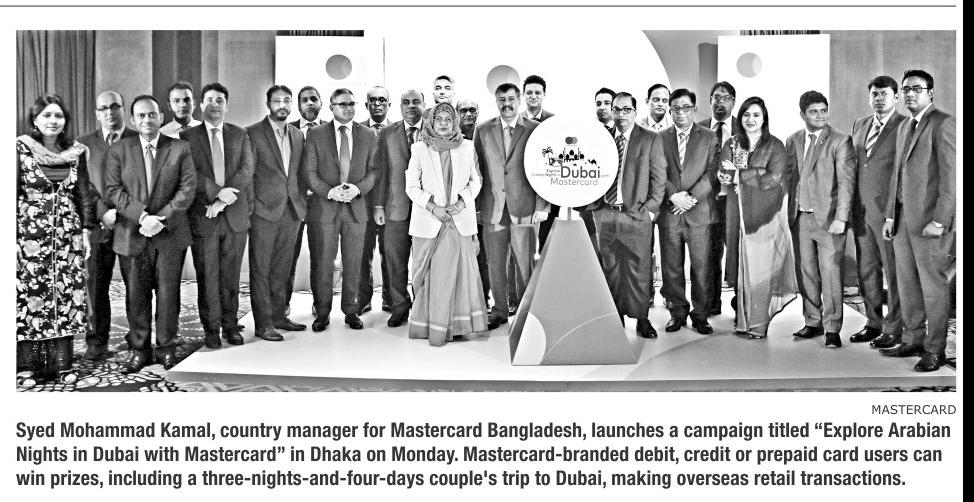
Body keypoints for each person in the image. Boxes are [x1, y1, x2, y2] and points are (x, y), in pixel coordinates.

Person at [104, 95, 197, 372]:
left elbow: (187, 188)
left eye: (152, 114)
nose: (147, 120)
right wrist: (143, 217)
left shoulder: (180, 148)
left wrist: (161, 219)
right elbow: (113, 190)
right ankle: (139, 349)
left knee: (169, 296)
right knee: (136, 296)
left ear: (161, 117)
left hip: (169, 234)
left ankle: (167, 348)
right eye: (141, 115)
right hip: (132, 234)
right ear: (133, 120)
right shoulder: (119, 150)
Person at [16, 94, 96, 383]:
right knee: (31, 296)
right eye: (47, 115)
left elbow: (84, 193)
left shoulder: (76, 152)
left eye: (58, 115)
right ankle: (28, 366)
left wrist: (86, 231)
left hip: (66, 237)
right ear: (35, 120)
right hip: (28, 236)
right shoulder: (20, 149)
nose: (53, 120)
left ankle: (63, 364)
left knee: (65, 297)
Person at [881, 69, 955, 372]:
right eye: (906, 89)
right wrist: (890, 215)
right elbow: (896, 175)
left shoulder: (943, 123)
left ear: (930, 93)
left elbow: (952, 178)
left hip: (929, 224)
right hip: (901, 221)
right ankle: (912, 339)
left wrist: (940, 221)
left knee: (932, 287)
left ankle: (935, 350)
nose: (910, 94)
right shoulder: (903, 126)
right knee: (907, 284)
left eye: (917, 89)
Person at [405, 102, 488, 345]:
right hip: (430, 221)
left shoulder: (467, 147)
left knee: (460, 274)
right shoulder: (419, 148)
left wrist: (461, 203)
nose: (443, 123)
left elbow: (476, 181)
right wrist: (433, 207)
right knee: (433, 275)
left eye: (448, 119)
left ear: (455, 122)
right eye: (439, 119)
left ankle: (459, 325)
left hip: (459, 219)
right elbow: (411, 187)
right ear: (431, 122)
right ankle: (431, 326)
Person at [717, 96, 797, 339]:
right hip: (737, 212)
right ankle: (743, 321)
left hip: (765, 217)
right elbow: (723, 172)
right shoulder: (732, 143)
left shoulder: (775, 146)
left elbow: (775, 179)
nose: (750, 119)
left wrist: (740, 175)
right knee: (742, 266)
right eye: (746, 115)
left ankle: (759, 324)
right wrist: (753, 174)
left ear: (764, 119)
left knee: (761, 270)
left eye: (756, 115)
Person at [182, 82, 253, 348]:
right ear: (201, 105)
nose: (215, 104)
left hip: (234, 216)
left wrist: (223, 199)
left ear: (227, 105)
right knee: (208, 276)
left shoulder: (240, 134)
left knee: (231, 276)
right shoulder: (188, 137)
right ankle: (211, 328)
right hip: (204, 216)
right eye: (210, 99)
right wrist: (216, 192)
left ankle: (230, 325)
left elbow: (246, 169)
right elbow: (190, 173)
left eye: (220, 100)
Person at [590, 91, 666, 339]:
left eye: (626, 109)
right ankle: (615, 318)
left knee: (639, 269)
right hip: (606, 214)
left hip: (636, 215)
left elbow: (659, 178)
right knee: (610, 269)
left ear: (635, 111)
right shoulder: (602, 138)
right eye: (616, 109)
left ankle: (642, 319)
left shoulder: (650, 138)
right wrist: (596, 208)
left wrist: (650, 211)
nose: (621, 114)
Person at [301, 88, 378, 332]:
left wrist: (357, 189)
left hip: (356, 208)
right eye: (342, 104)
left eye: (351, 103)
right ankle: (322, 312)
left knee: (354, 263)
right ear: (331, 107)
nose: (347, 108)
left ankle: (351, 310)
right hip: (325, 208)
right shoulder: (316, 134)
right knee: (322, 262)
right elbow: (309, 171)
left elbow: (374, 171)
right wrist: (329, 191)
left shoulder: (368, 134)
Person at [473, 83, 548, 330]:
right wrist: (476, 208)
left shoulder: (535, 129)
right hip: (493, 208)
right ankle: (499, 311)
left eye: (511, 99)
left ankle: (526, 312)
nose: (507, 104)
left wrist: (542, 206)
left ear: (519, 100)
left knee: (525, 264)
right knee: (495, 264)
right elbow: (477, 171)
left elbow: (543, 169)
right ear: (496, 101)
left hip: (526, 208)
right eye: (502, 99)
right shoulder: (483, 129)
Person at [786, 91, 855, 349]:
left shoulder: (840, 140)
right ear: (802, 114)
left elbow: (847, 183)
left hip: (829, 221)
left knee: (830, 275)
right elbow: (789, 178)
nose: (820, 116)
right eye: (814, 112)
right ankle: (812, 321)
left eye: (823, 110)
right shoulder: (793, 140)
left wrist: (841, 218)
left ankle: (832, 328)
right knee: (806, 273)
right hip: (799, 218)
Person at [78, 91, 138, 360]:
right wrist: (103, 213)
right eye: (104, 108)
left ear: (123, 109)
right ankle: (96, 341)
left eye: (115, 106)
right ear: (97, 113)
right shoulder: (83, 144)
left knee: (135, 286)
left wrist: (124, 213)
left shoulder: (138, 139)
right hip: (98, 227)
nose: (110, 112)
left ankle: (138, 338)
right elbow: (83, 186)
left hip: (130, 225)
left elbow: (143, 184)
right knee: (95, 288)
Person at [246, 84, 307, 342]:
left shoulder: (297, 134)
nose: (282, 105)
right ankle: (263, 324)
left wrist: (301, 202)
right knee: (261, 269)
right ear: (268, 104)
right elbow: (248, 175)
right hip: (263, 211)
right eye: (277, 101)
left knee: (283, 268)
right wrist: (253, 207)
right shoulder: (252, 133)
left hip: (291, 211)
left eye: (287, 101)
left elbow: (299, 173)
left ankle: (279, 316)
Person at [849, 76, 906, 347]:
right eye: (875, 94)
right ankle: (873, 323)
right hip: (861, 212)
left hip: (889, 214)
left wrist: (893, 212)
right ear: (869, 97)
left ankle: (894, 328)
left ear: (896, 97)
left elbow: (903, 172)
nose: (879, 99)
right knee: (867, 270)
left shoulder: (905, 125)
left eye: (885, 94)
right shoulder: (860, 124)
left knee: (893, 274)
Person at [657, 88, 719, 335]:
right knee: (671, 266)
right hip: (670, 211)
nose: (680, 112)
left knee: (701, 267)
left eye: (686, 107)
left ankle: (700, 315)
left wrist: (691, 198)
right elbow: (657, 170)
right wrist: (673, 195)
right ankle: (677, 313)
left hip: (699, 212)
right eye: (675, 108)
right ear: (670, 110)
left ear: (694, 109)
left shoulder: (709, 137)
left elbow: (713, 172)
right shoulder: (660, 137)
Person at [372, 89, 425, 327]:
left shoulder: (434, 129)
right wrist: (378, 204)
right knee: (395, 261)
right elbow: (380, 170)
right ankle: (400, 307)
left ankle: (423, 308)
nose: (411, 106)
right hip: (395, 207)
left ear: (423, 104)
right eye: (406, 102)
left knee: (424, 262)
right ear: (400, 106)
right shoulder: (387, 132)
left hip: (427, 209)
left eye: (416, 102)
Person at [698, 81, 740, 316]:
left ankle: (741, 304)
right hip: (707, 202)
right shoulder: (699, 129)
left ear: (733, 102)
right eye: (716, 97)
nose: (720, 102)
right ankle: (711, 304)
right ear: (709, 101)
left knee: (737, 253)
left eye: (725, 98)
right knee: (709, 254)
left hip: (734, 202)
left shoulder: (744, 128)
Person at [285, 85, 325, 317]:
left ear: (321, 103)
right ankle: (282, 304)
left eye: (313, 99)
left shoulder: (331, 130)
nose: (309, 103)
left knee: (321, 256)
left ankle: (320, 304)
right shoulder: (287, 130)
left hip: (322, 204)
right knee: (288, 255)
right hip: (293, 203)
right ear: (298, 106)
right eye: (304, 100)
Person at [359, 85, 393, 316]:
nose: (378, 103)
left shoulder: (398, 130)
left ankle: (391, 298)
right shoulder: (357, 130)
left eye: (382, 100)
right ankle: (363, 299)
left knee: (391, 254)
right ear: (366, 104)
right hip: (362, 203)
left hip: (391, 203)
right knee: (362, 254)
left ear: (389, 104)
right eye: (373, 100)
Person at [457, 98, 492, 305]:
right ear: (457, 113)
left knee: (483, 257)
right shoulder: (449, 137)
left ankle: (482, 299)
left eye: (472, 110)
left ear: (478, 111)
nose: (468, 114)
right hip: (458, 208)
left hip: (484, 206)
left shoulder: (486, 134)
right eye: (463, 110)